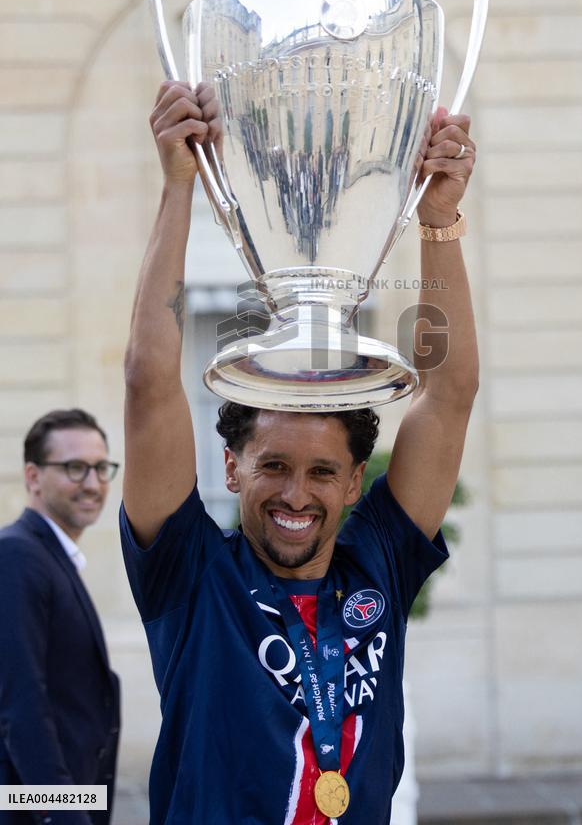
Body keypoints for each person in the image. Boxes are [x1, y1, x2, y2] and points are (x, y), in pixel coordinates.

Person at [121, 81, 478, 824]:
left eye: (322, 472)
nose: (295, 494)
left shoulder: (377, 559)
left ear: (355, 483)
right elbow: (149, 383)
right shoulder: (192, 577)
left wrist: (439, 222)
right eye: (273, 465)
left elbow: (446, 397)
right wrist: (179, 187)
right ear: (232, 469)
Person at [0, 409, 121, 824]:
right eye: (74, 468)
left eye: (101, 468)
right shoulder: (17, 555)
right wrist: (64, 815)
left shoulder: (52, 557)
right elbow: (21, 706)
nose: (92, 483)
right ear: (33, 477)